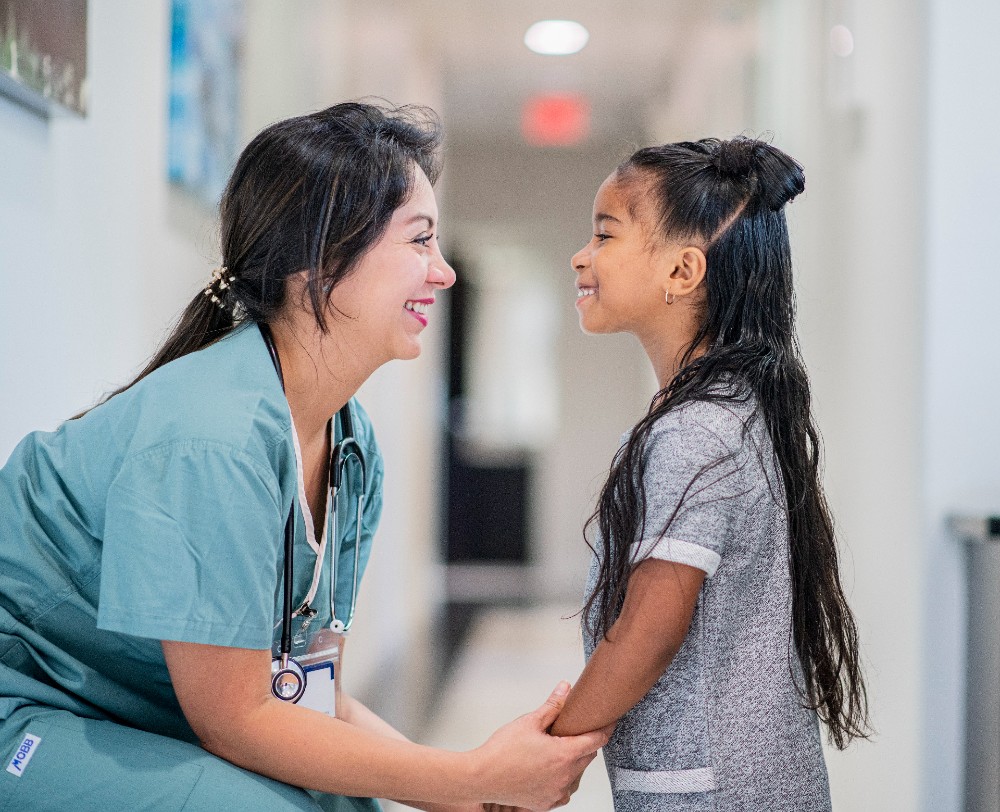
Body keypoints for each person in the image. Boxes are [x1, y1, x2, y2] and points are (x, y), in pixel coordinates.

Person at [0, 102, 606, 811]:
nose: (442, 273)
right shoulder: (213, 439)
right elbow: (236, 720)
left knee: (351, 801)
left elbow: (308, 693)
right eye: (419, 241)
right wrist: (468, 780)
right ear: (321, 261)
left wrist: (465, 786)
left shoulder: (350, 449)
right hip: (30, 706)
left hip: (132, 709)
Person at [548, 138, 870, 810]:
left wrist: (551, 749)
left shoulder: (694, 433)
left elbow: (650, 627)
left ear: (684, 270)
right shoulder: (729, 411)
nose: (581, 255)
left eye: (605, 234)